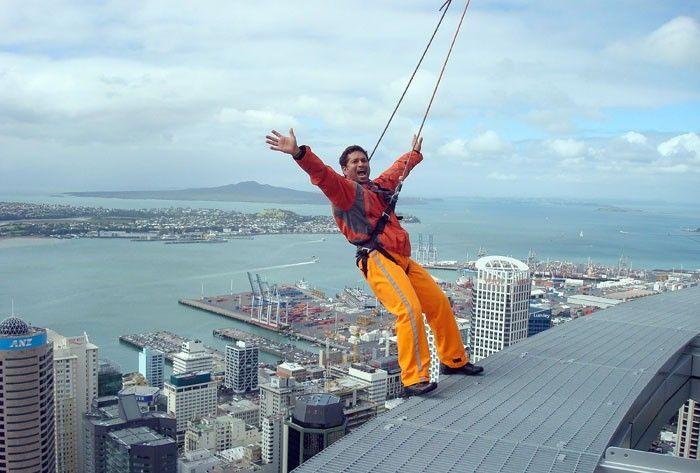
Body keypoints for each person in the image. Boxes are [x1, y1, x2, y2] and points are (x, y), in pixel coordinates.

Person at [265, 128, 483, 396]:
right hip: (377, 257)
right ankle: (414, 377)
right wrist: (299, 154)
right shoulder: (345, 191)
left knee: (438, 303)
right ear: (344, 170)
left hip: (401, 258)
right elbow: (323, 175)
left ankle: (454, 360)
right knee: (408, 309)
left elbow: (397, 171)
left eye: (363, 160)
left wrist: (414, 154)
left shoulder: (378, 188)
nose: (361, 164)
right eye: (354, 161)